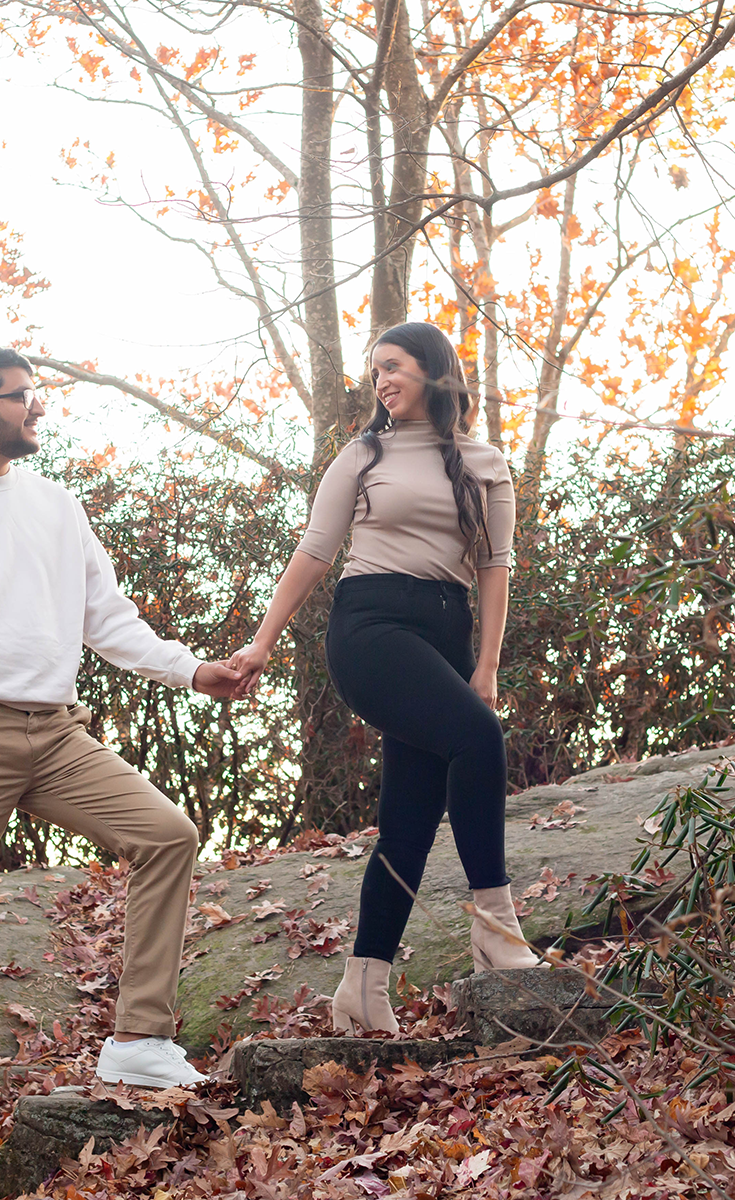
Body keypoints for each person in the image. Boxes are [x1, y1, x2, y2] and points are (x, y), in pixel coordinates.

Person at [0, 347, 243, 1158]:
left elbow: (110, 620)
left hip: (56, 731)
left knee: (167, 835)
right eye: (25, 397)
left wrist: (194, 670)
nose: (40, 409)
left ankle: (137, 1041)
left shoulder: (57, 506)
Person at [228, 321, 537, 1034]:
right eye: (375, 374)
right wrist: (262, 643)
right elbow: (313, 551)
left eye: (392, 367)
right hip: (371, 629)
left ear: (432, 370)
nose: (382, 382)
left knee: (410, 818)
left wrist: (485, 667)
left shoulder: (484, 462)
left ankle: (362, 990)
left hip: (444, 633)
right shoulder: (363, 456)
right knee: (478, 740)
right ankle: (495, 926)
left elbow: (496, 569)